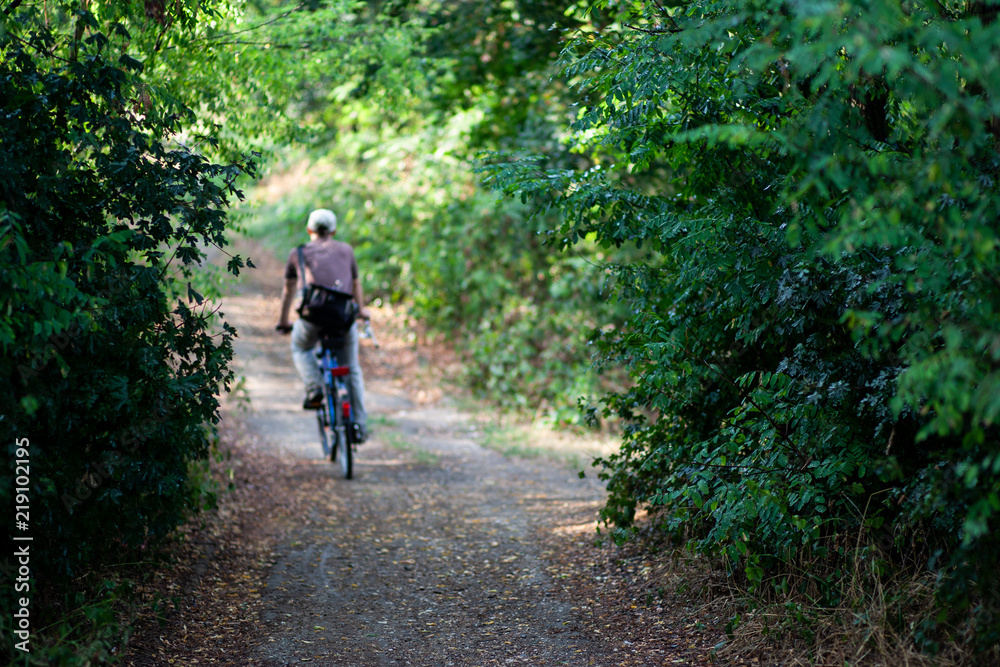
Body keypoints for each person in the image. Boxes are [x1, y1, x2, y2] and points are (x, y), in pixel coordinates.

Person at [276, 208, 370, 441]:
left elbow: (288, 290)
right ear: (334, 230)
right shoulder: (346, 250)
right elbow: (356, 284)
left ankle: (315, 386)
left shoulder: (297, 253)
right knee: (352, 368)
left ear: (310, 230)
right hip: (342, 318)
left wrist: (283, 321)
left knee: (300, 347)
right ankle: (359, 425)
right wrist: (361, 310)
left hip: (312, 316)